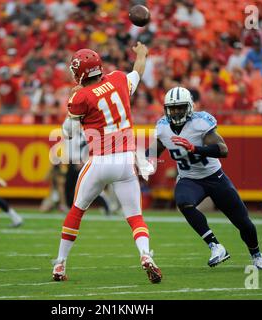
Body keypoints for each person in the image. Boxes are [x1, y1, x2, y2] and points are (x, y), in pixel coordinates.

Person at [52, 42, 162, 283]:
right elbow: (138, 71)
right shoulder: (119, 79)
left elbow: (68, 132)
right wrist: (142, 53)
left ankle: (60, 264)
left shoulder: (80, 96)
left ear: (80, 72)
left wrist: (72, 110)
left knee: (77, 210)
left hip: (100, 160)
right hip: (125, 161)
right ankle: (145, 255)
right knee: (135, 217)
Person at [146, 86, 262, 270]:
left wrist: (195, 148)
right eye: (173, 108)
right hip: (189, 179)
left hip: (215, 177)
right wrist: (142, 159)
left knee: (244, 223)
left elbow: (223, 150)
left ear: (189, 107)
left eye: (180, 107)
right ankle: (216, 246)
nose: (176, 111)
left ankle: (256, 254)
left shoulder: (200, 123)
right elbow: (154, 150)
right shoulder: (163, 127)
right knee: (183, 202)